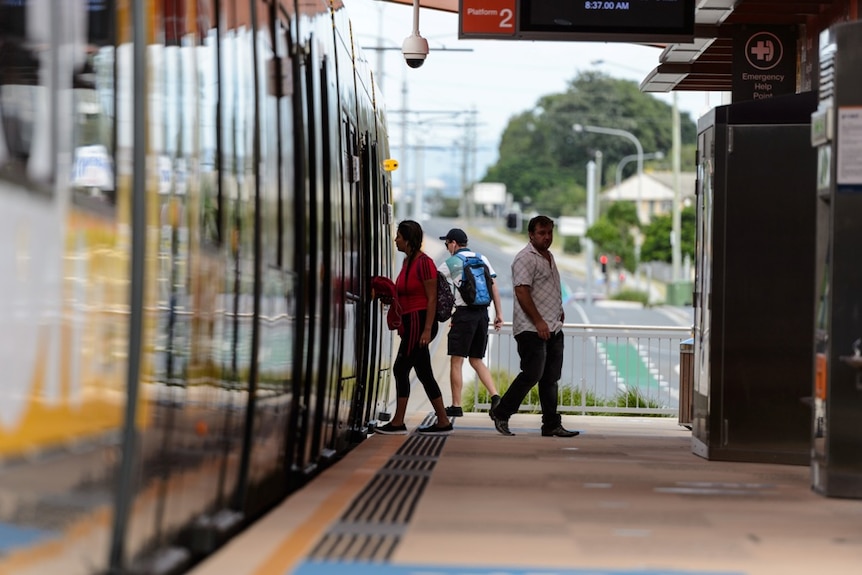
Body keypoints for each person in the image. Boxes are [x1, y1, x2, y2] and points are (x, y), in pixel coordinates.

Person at [489, 215, 579, 438]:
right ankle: (502, 412)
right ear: (531, 234)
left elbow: (545, 289)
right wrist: (539, 321)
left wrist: (557, 311)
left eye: (549, 232)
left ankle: (550, 424)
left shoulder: (548, 256)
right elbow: (522, 291)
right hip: (531, 328)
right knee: (532, 373)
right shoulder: (525, 258)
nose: (547, 237)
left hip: (553, 326)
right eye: (542, 233)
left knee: (550, 378)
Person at [376, 220, 454, 435]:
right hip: (411, 322)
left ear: (408, 239)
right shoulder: (407, 262)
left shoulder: (424, 263)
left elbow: (431, 299)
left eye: (399, 236)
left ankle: (398, 421)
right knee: (424, 372)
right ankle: (443, 421)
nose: (395, 240)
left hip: (420, 322)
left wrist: (427, 330)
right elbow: (405, 293)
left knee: (401, 369)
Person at [436, 228, 503, 418]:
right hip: (482, 314)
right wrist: (499, 314)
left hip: (464, 314)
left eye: (447, 243)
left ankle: (456, 405)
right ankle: (495, 396)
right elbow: (493, 286)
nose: (447, 247)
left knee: (456, 361)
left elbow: (434, 281)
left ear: (454, 243)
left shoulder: (451, 262)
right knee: (476, 359)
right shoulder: (482, 258)